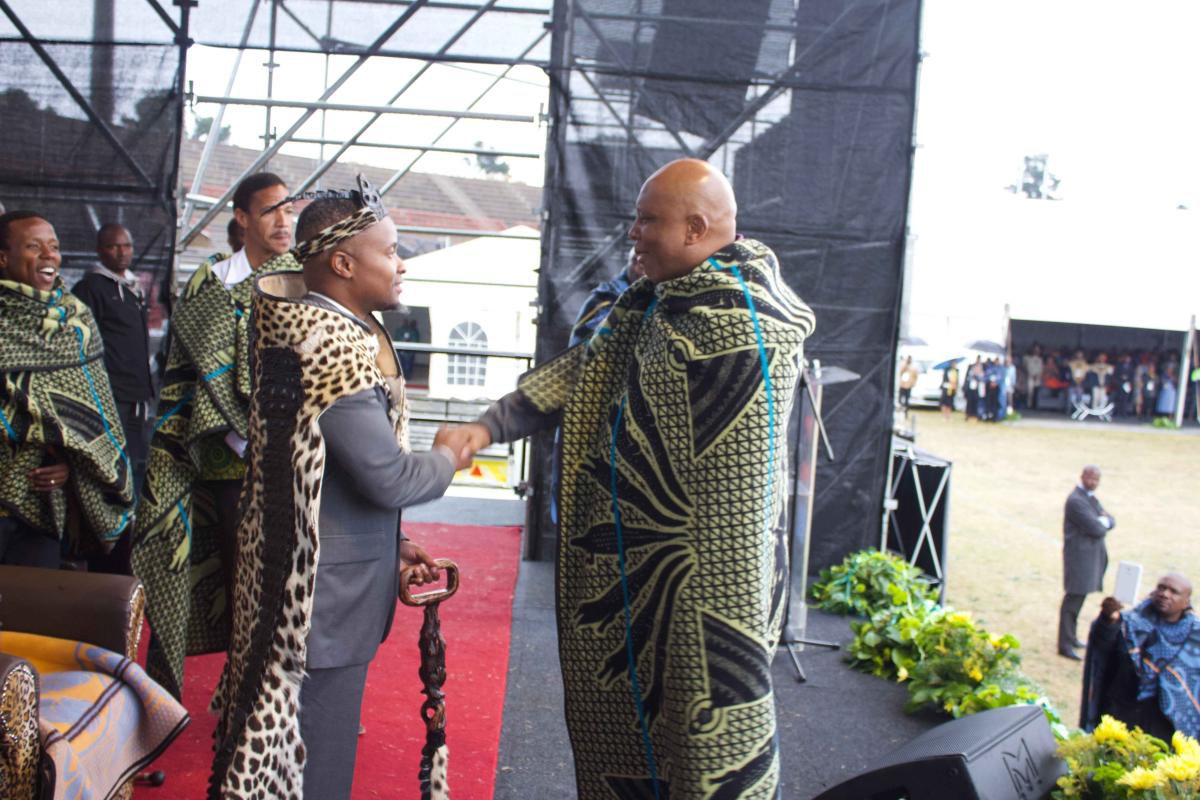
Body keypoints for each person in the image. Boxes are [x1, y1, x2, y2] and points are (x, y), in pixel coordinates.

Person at [450, 159, 815, 797]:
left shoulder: (747, 327)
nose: (633, 233)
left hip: (713, 595)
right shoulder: (654, 303)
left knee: (709, 748)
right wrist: (487, 427)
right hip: (644, 575)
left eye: (648, 220)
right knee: (641, 730)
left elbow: (729, 500)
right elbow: (587, 369)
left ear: (695, 229)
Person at [209, 178, 461, 799]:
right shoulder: (332, 347)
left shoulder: (302, 326)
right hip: (319, 608)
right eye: (391, 251)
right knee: (310, 774)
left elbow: (314, 472)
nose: (401, 264)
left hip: (305, 585)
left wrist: (391, 545)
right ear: (344, 264)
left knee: (282, 765)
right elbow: (389, 476)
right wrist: (450, 455)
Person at [131, 172, 300, 699]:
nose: (283, 221)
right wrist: (239, 432)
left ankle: (290, 700)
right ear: (242, 218)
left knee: (291, 587)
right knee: (239, 584)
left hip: (295, 462)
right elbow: (190, 373)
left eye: (289, 209)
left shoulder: (304, 282)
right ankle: (241, 698)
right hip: (228, 465)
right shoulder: (214, 283)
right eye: (270, 210)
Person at [0, 211, 132, 567]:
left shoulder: (76, 322)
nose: (49, 255)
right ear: (3, 258)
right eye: (34, 247)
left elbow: (92, 417)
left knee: (33, 601)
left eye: (54, 247)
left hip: (42, 508)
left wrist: (70, 466)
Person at [71, 223, 153, 574]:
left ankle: (128, 554)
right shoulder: (90, 288)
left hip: (137, 398)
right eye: (113, 246)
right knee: (109, 474)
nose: (121, 252)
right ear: (99, 250)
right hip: (111, 398)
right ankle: (104, 557)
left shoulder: (132, 288)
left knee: (134, 472)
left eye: (126, 245)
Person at [1081, 573, 1199, 740]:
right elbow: (1104, 649)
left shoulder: (1195, 637)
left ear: (1186, 602)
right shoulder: (1129, 622)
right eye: (1161, 588)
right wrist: (1107, 622)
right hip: (1121, 714)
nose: (1165, 594)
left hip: (1166, 725)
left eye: (1174, 591)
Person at [1059, 465, 1116, 660]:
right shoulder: (1076, 500)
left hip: (1089, 558)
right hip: (1079, 559)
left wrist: (1104, 521)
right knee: (1073, 600)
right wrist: (1102, 522)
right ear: (1082, 476)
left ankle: (1072, 637)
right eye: (1091, 478)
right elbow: (1096, 528)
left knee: (1079, 599)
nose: (1093, 483)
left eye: (1097, 480)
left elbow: (1111, 520)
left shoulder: (1090, 499)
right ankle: (1065, 643)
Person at [568, 246, 646, 347]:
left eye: (644, 262)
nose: (639, 269)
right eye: (635, 261)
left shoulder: (658, 297)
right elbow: (580, 344)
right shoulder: (605, 298)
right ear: (628, 263)